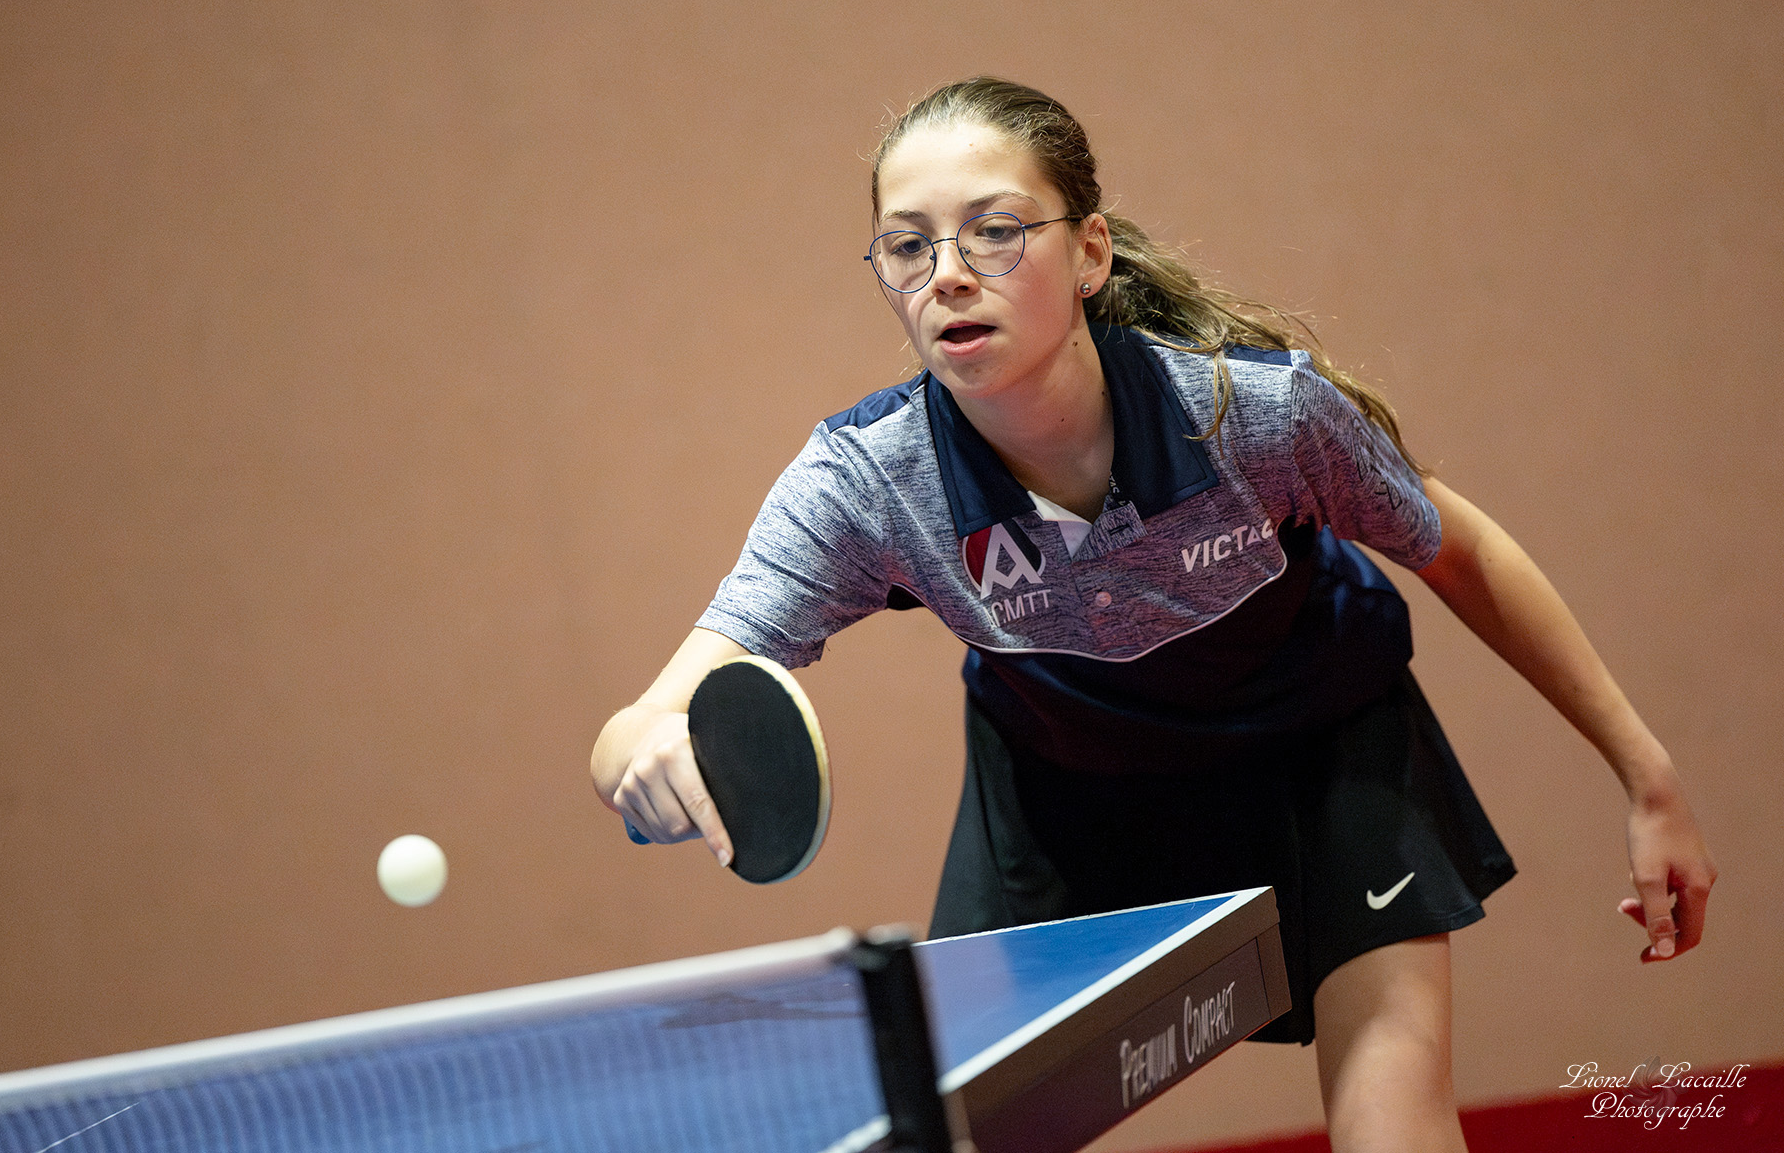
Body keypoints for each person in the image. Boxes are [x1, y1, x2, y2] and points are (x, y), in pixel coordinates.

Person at [589, 77, 1714, 1151]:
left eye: (995, 231)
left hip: (1318, 753)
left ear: (1090, 252)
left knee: (1392, 1127)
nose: (948, 275)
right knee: (948, 1131)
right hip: (1060, 781)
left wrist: (1647, 777)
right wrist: (642, 757)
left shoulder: (1250, 412)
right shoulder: (866, 485)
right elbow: (645, 717)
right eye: (908, 245)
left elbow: (1460, 550)